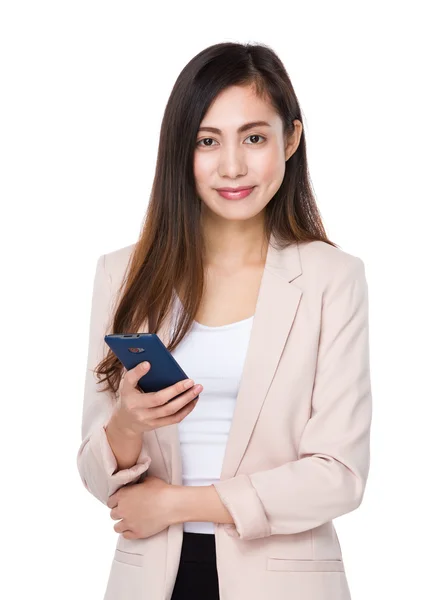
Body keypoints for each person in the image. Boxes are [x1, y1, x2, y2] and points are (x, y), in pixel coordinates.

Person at [77, 41, 372, 600]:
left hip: (284, 581)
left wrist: (178, 504)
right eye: (207, 141)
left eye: (254, 138)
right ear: (179, 152)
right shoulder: (122, 273)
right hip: (148, 580)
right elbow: (97, 476)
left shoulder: (333, 277)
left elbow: (339, 475)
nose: (232, 166)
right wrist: (128, 425)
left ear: (291, 140)